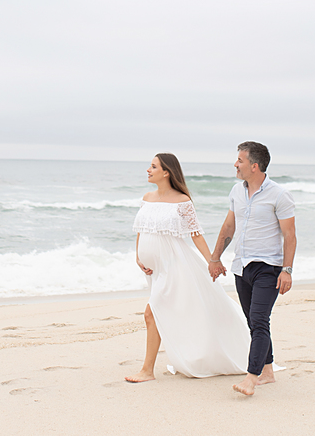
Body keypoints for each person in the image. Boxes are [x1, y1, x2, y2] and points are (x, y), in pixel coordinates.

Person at [124, 153, 250, 383]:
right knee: (163, 313)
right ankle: (183, 356)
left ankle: (147, 371)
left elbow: (196, 235)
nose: (148, 170)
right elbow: (142, 229)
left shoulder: (182, 201)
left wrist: (213, 260)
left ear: (166, 172)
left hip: (175, 265)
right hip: (154, 269)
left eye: (153, 166)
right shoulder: (147, 197)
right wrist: (138, 256)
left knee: (152, 313)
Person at [207, 141, 297, 396]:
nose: (235, 164)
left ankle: (251, 377)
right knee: (253, 321)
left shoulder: (279, 195)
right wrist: (215, 259)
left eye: (240, 160)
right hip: (241, 266)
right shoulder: (237, 191)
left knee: (259, 320)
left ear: (254, 166)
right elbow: (228, 227)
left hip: (268, 267)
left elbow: (290, 235)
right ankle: (267, 371)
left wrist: (287, 270)